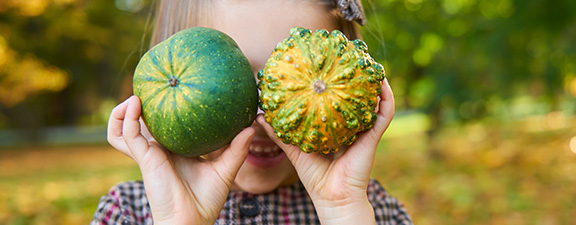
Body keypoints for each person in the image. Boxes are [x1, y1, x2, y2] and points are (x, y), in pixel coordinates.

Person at [91, 0, 411, 224]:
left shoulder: (375, 212)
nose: (263, 115)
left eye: (287, 81)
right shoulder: (125, 213)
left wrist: (342, 210)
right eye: (237, 76)